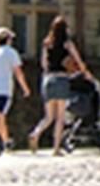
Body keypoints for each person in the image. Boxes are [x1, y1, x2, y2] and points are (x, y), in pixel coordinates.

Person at [28, 16, 93, 155]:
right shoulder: (67, 43)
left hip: (48, 80)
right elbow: (78, 60)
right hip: (61, 79)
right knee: (60, 117)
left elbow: (44, 63)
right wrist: (85, 72)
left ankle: (36, 133)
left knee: (49, 116)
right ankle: (56, 148)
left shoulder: (47, 43)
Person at [0, 26, 31, 155]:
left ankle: (6, 142)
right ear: (8, 39)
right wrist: (25, 87)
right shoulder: (10, 52)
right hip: (4, 88)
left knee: (0, 116)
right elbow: (18, 72)